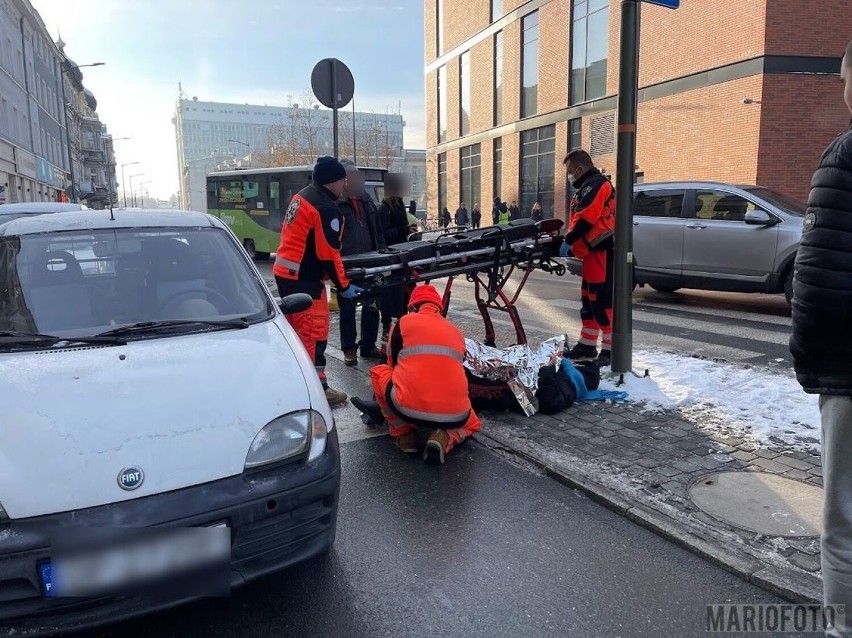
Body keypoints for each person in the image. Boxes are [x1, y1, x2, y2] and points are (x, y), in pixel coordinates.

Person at [790, 39, 852, 638]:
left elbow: (817, 284)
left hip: (849, 373)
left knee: (844, 524)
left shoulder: (843, 159)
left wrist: (809, 364)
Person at [350, 284, 482, 464]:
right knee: (472, 422)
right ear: (439, 308)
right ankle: (444, 437)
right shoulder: (456, 331)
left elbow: (392, 364)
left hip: (407, 408)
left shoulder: (402, 324)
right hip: (455, 413)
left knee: (380, 372)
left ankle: (404, 434)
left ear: (412, 307)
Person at [273, 156, 362, 406]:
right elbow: (328, 254)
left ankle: (297, 382)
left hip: (287, 273)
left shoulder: (303, 196)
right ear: (333, 181)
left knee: (296, 333)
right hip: (305, 279)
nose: (345, 185)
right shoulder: (325, 208)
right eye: (343, 180)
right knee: (313, 332)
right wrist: (343, 286)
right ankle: (317, 389)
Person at [560, 149, 615, 366]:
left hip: (601, 252)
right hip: (591, 253)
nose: (570, 176)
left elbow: (586, 218)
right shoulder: (588, 186)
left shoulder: (596, 185)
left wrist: (569, 240)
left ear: (580, 169)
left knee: (602, 302)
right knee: (589, 301)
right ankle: (587, 344)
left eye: (571, 171)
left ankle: (610, 350)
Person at [337, 159, 385, 366]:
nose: (360, 180)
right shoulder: (336, 203)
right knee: (347, 309)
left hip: (371, 260)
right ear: (345, 180)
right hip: (346, 264)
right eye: (355, 176)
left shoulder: (366, 200)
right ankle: (349, 349)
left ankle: (368, 344)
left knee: (372, 304)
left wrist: (382, 254)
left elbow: (377, 229)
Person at [377, 194, 411, 351]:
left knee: (404, 293)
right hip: (392, 256)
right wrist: (401, 230)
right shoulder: (384, 209)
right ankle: (389, 329)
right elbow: (384, 234)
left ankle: (403, 325)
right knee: (392, 295)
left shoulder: (399, 206)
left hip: (402, 254)